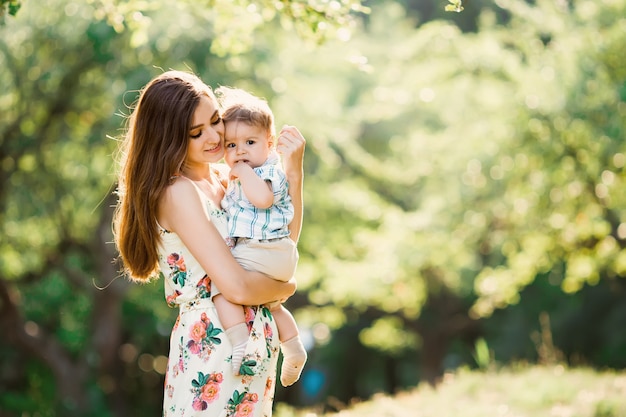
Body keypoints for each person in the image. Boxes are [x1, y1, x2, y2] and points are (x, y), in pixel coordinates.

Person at [112, 70, 306, 416]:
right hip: (214, 344)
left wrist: (294, 175)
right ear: (169, 139)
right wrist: (285, 286)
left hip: (257, 337)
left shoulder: (227, 180)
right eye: (196, 132)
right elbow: (238, 287)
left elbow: (283, 240)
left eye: (216, 121)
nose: (215, 135)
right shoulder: (178, 192)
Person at [210, 86, 307, 387]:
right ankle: (293, 349)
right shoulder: (242, 175)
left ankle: (240, 343)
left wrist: (242, 173)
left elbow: (263, 199)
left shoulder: (268, 172)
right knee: (272, 305)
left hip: (265, 250)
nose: (239, 152)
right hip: (275, 254)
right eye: (231, 145)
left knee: (220, 287)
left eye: (249, 142)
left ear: (270, 144)